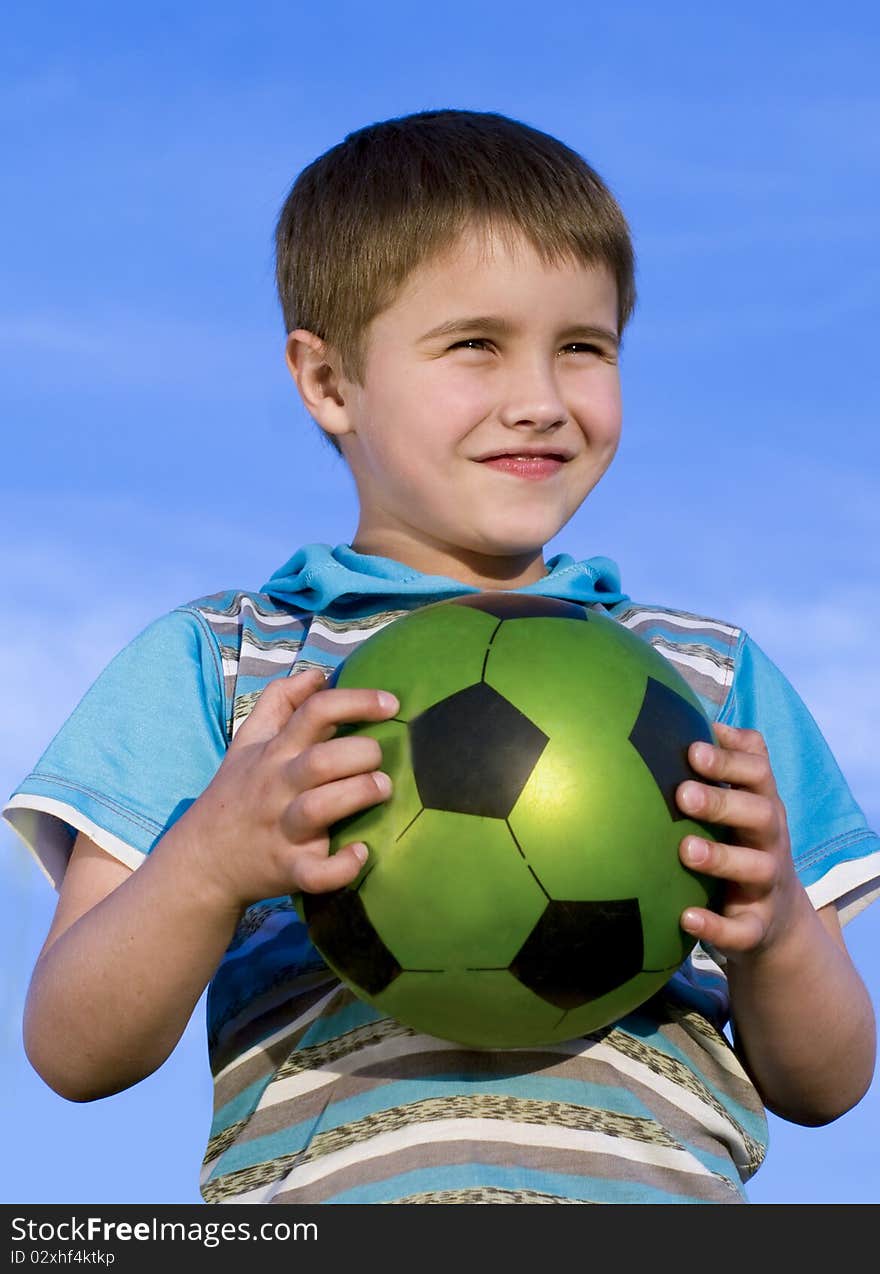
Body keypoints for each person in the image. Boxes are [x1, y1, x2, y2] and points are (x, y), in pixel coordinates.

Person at [5, 108, 878, 1206]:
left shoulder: (706, 679)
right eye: (476, 344)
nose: (541, 400)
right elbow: (74, 1049)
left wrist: (779, 934)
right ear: (328, 382)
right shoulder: (226, 665)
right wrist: (214, 862)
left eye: (583, 347)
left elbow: (828, 1080)